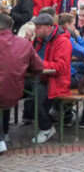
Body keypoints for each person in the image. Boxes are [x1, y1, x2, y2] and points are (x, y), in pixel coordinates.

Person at [25, 13, 72, 144]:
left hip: (53, 80)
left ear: (48, 27)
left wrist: (39, 65)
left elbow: (61, 67)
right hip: (38, 77)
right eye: (35, 26)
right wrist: (26, 42)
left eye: (38, 27)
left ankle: (46, 128)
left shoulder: (62, 41)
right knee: (8, 88)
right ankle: (4, 132)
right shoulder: (38, 39)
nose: (36, 30)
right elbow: (31, 56)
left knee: (36, 100)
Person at [0, 13, 44, 154]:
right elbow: (38, 68)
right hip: (14, 91)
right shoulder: (24, 43)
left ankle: (2, 137)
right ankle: (4, 134)